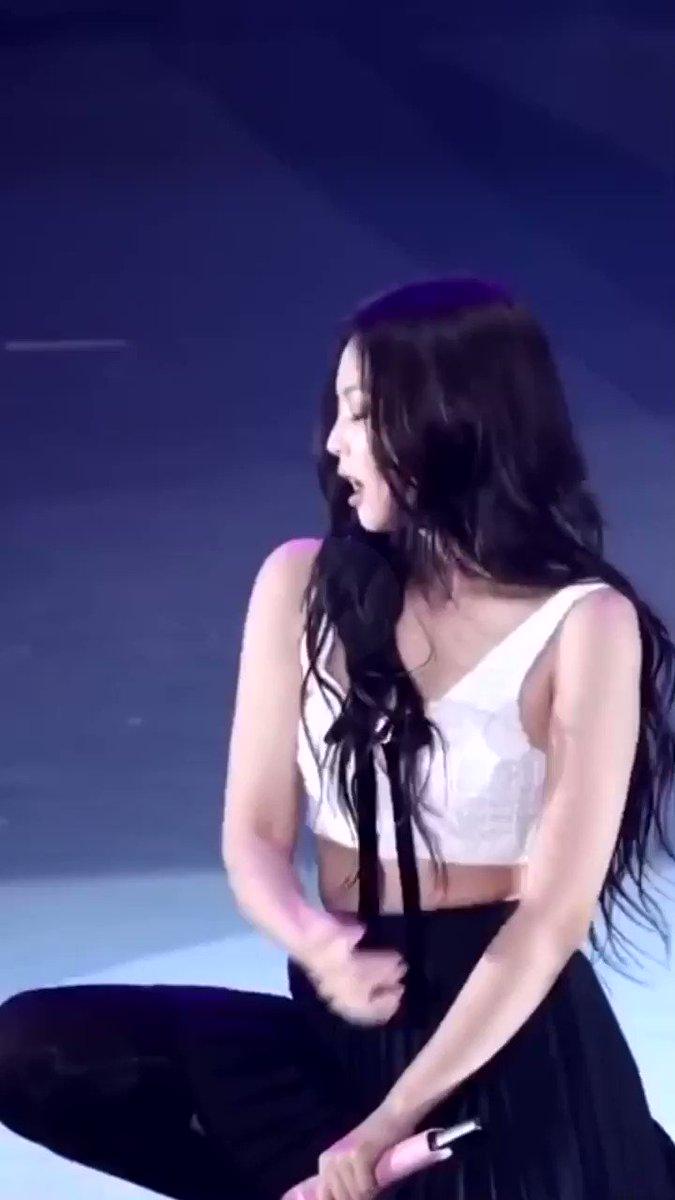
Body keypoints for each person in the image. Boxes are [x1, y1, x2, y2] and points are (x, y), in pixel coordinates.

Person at [1, 276, 675, 1200]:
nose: (333, 444)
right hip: (336, 1017)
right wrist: (315, 941)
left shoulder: (585, 624)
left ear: (449, 419)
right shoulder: (299, 584)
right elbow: (254, 833)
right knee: (36, 1050)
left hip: (502, 1041)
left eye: (360, 415)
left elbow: (549, 922)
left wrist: (387, 1126)